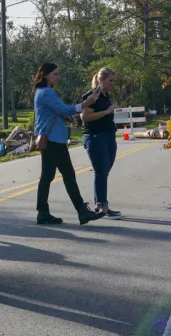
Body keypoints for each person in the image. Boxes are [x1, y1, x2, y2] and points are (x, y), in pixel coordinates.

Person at [32, 62, 105, 227]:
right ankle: (82, 211)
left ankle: (42, 212)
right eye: (55, 74)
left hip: (49, 139)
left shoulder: (41, 92)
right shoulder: (47, 92)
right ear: (45, 75)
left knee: (47, 176)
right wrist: (88, 102)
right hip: (54, 140)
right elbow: (65, 109)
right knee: (69, 175)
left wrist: (66, 117)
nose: (58, 77)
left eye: (58, 74)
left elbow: (56, 113)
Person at [81, 67, 123, 219]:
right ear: (100, 80)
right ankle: (102, 206)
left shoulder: (105, 96)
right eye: (110, 80)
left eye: (113, 80)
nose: (113, 83)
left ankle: (101, 204)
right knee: (101, 171)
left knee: (104, 171)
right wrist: (106, 112)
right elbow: (85, 117)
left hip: (108, 136)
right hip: (95, 136)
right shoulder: (92, 96)